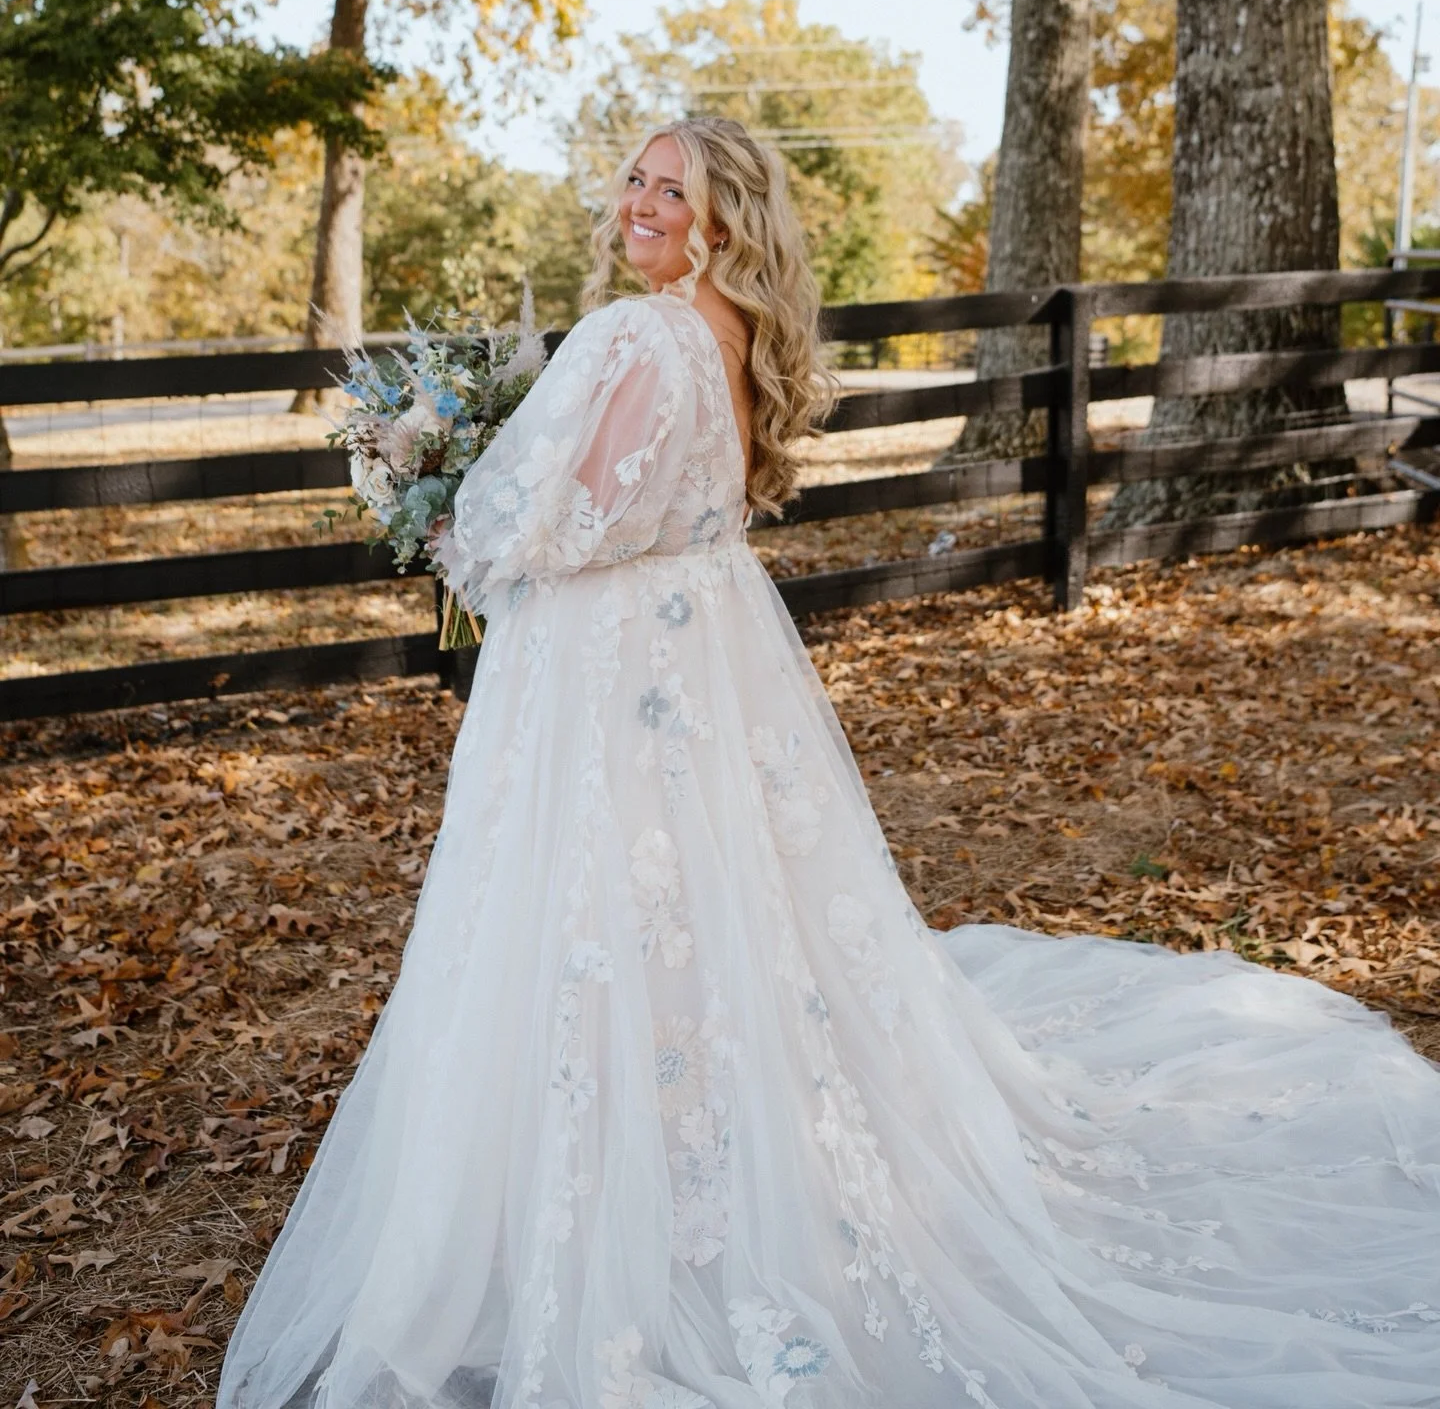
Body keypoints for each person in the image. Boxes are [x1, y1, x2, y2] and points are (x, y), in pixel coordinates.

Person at [217, 116, 1440, 1409]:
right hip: (697, 660)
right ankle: (690, 1154)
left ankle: (631, 1202)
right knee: (694, 916)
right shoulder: (733, 341)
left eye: (668, 188)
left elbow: (545, 527)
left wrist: (420, 478)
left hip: (607, 674)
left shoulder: (635, 335)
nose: (637, 200)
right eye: (632, 178)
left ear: (722, 219)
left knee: (603, 921)